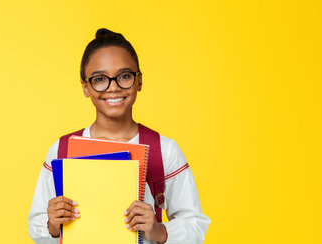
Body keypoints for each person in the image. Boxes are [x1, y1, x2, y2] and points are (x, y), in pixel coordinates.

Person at [28, 28, 210, 244]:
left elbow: (194, 224)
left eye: (124, 76)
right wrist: (51, 225)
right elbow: (38, 226)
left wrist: (159, 231)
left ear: (139, 81)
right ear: (86, 87)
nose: (113, 87)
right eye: (99, 79)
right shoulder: (61, 150)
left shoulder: (164, 150)